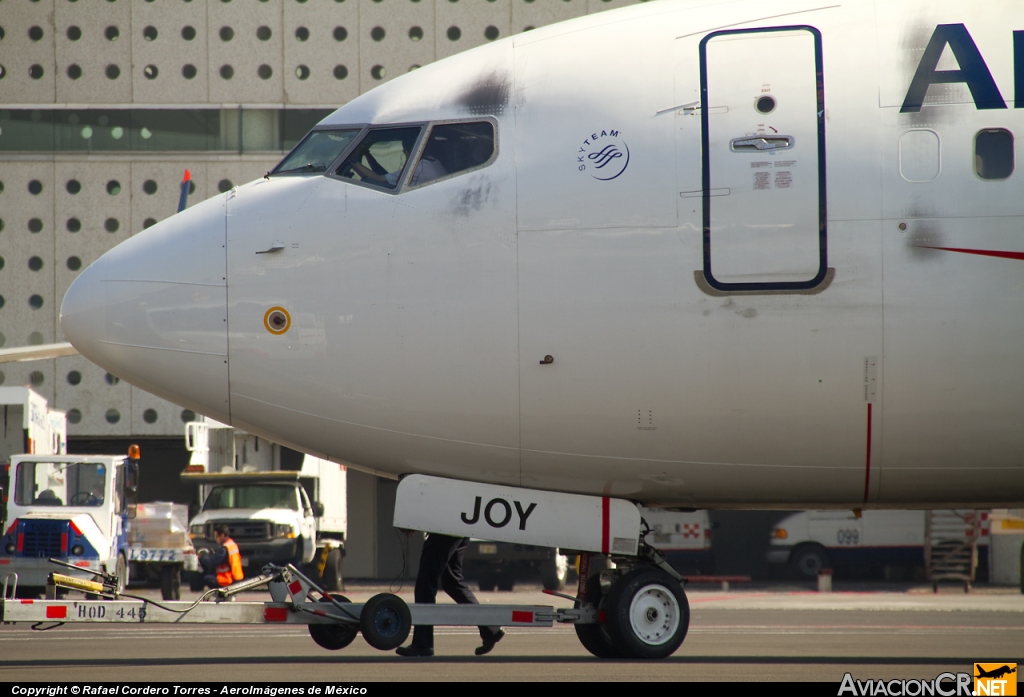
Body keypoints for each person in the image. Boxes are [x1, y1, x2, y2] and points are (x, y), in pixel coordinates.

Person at [395, 533, 504, 657]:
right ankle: (489, 629)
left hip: (445, 532)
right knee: (452, 583)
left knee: (425, 583)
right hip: (458, 530)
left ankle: (422, 643)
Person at [198, 524, 244, 590]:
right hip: (236, 577)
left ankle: (220, 595)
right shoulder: (232, 544)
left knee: (206, 578)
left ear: (222, 536)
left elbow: (212, 562)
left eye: (216, 536)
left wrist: (202, 557)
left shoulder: (224, 549)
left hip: (227, 579)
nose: (215, 539)